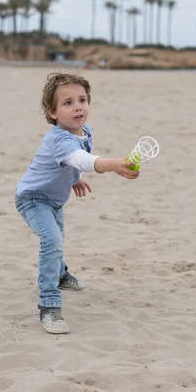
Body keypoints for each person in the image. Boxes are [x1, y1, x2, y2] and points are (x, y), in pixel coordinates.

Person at [15, 72, 139, 334]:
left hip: (55, 199)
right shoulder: (58, 138)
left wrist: (75, 179)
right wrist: (115, 164)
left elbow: (75, 161)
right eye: (68, 103)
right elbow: (80, 159)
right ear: (52, 112)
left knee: (57, 238)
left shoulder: (85, 131)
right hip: (34, 199)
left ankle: (60, 276)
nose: (78, 107)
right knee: (53, 241)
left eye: (82, 100)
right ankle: (49, 305)